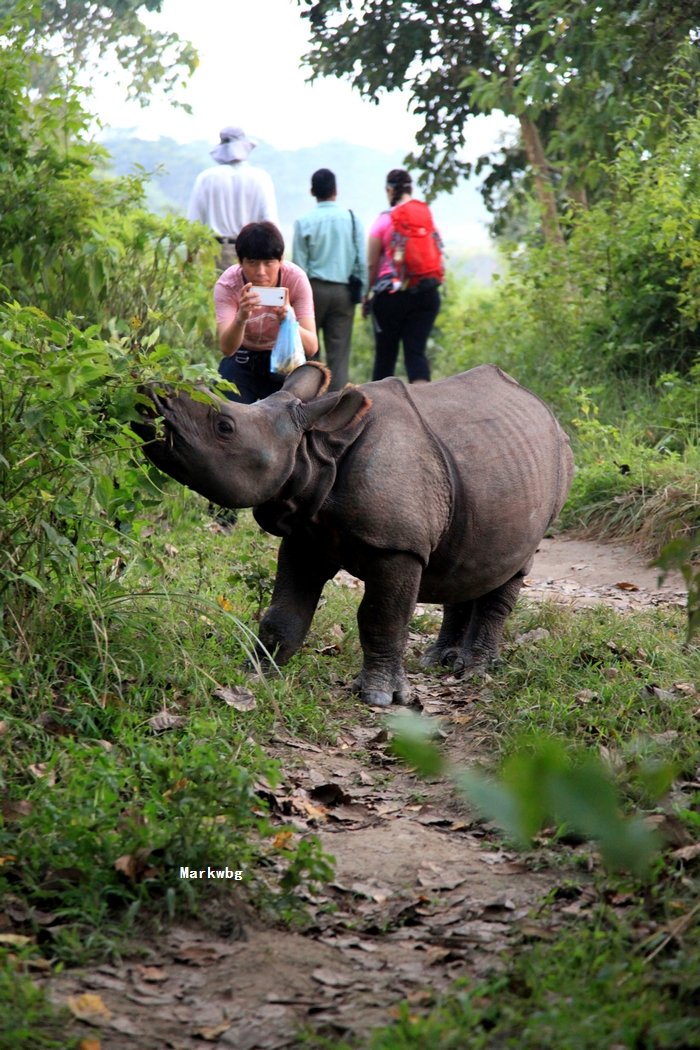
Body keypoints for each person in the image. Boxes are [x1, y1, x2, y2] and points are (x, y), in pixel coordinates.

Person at [214, 221, 318, 404]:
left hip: (285, 361)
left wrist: (289, 321)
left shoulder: (295, 280)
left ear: (281, 260)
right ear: (240, 262)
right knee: (221, 416)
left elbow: (311, 347)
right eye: (252, 263)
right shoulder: (228, 285)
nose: (261, 272)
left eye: (269, 263)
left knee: (303, 418)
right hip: (242, 359)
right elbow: (227, 348)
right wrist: (241, 318)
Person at [365, 169, 443, 385]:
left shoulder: (383, 220)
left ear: (389, 190)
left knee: (385, 358)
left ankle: (379, 415)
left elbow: (372, 263)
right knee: (415, 353)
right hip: (427, 293)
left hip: (391, 297)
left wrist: (367, 295)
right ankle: (425, 412)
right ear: (411, 189)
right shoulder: (426, 217)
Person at [293, 168, 367, 391]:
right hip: (343, 293)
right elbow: (361, 261)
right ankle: (335, 410)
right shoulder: (352, 220)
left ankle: (308, 403)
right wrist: (361, 294)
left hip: (312, 291)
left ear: (312, 191)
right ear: (336, 190)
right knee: (339, 354)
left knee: (309, 351)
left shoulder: (303, 222)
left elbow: (299, 266)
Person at [187, 126, 278, 272]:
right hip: (251, 254)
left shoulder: (207, 178)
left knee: (216, 293)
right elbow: (271, 222)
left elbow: (193, 224)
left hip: (213, 252)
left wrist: (189, 264)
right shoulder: (261, 178)